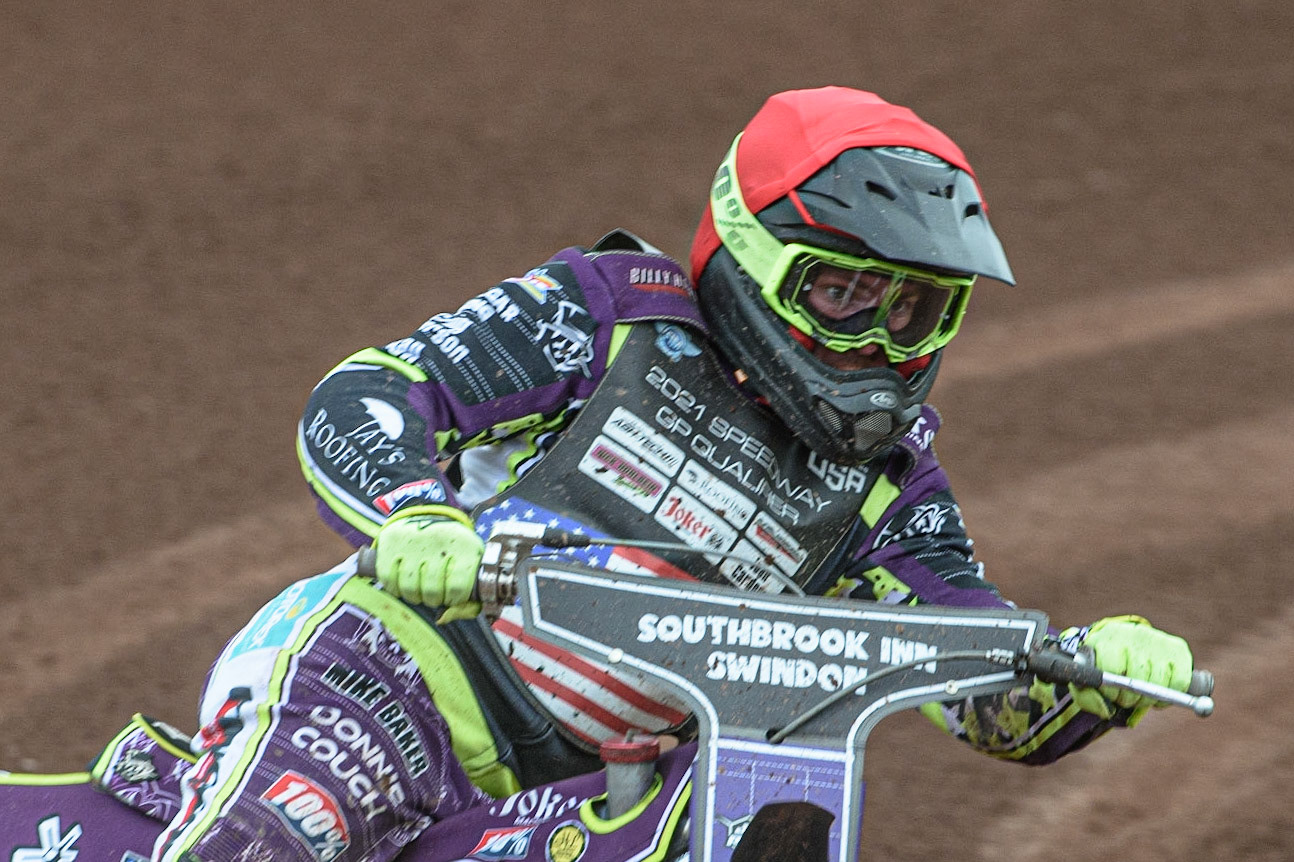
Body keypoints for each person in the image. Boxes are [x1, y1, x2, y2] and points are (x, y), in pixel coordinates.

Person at [153, 87, 1194, 860]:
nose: (879, 338)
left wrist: (1089, 670)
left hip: (620, 787)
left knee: (775, 822)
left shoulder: (889, 488)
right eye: (843, 293)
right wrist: (414, 515)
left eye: (913, 310)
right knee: (272, 839)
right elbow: (373, 392)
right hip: (392, 687)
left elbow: (970, 681)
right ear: (751, 252)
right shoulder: (613, 315)